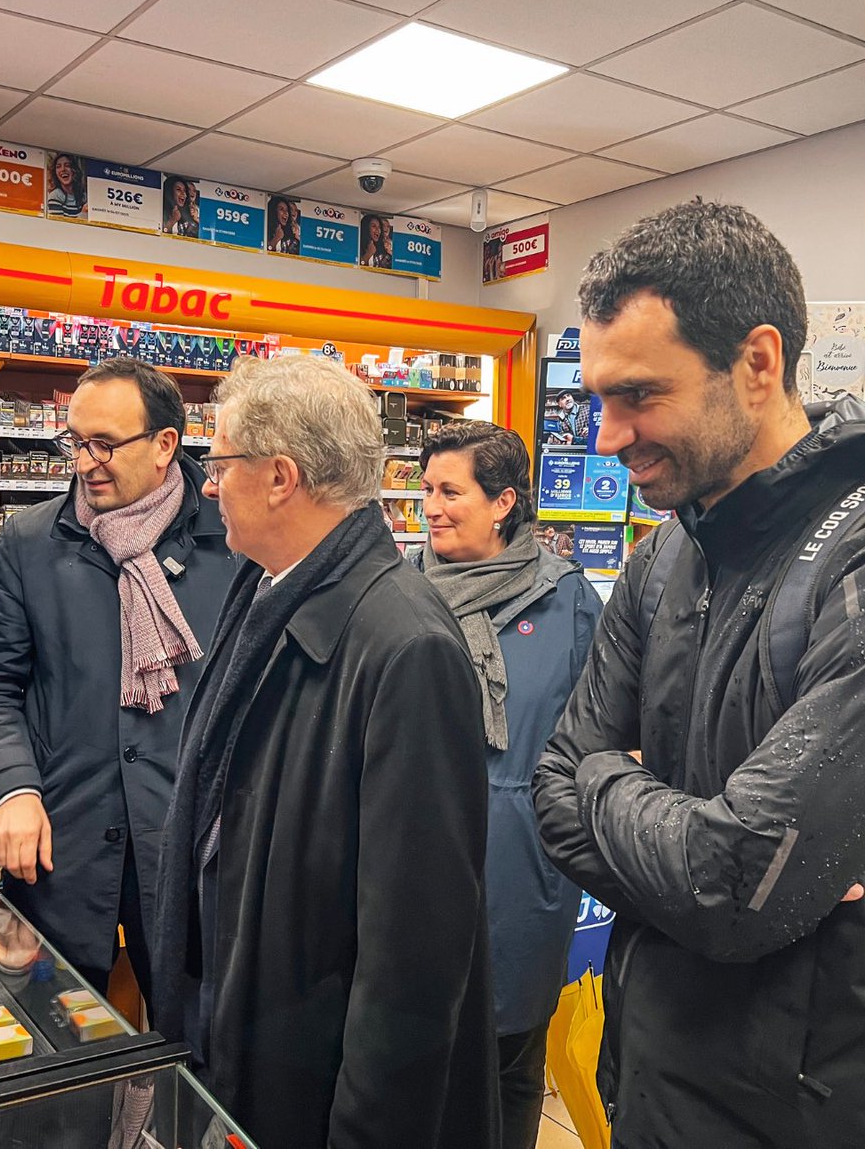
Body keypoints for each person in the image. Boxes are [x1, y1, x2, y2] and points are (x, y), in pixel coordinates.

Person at [533, 198, 865, 1149]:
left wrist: (609, 779)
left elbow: (737, 883)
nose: (606, 436)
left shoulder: (852, 557)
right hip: (648, 1081)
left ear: (757, 364)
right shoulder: (665, 554)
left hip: (799, 1112)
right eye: (598, 399)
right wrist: (629, 794)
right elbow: (552, 785)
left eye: (638, 394)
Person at [153, 355, 499, 1149]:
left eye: (223, 460)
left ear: (281, 477)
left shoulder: (406, 647)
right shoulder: (267, 592)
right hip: (252, 1038)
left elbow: (414, 957)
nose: (209, 483)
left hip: (315, 1084)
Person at [0, 358, 233, 1009]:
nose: (85, 462)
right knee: (44, 1056)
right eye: (75, 442)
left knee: (195, 1053)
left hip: (190, 850)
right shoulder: (31, 540)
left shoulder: (234, 540)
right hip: (60, 846)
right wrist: (11, 789)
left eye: (105, 444)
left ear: (166, 444)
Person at [412, 420, 602, 1149]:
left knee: (511, 1057)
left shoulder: (569, 602)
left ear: (503, 502)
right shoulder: (401, 590)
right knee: (418, 1047)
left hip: (522, 861)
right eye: (426, 489)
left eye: (450, 491)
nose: (430, 506)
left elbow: (599, 731)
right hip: (416, 851)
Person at [46, 152, 87, 218]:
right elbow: (59, 226)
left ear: (74, 170)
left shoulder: (83, 195)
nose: (63, 169)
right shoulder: (55, 196)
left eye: (67, 165)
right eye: (58, 167)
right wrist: (83, 214)